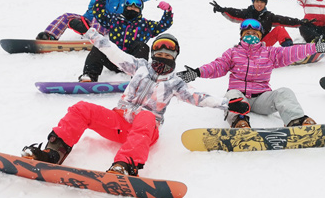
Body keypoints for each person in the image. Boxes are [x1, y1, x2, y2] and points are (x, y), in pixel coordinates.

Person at [22, 30, 249, 176]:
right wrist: (88, 32)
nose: (164, 53)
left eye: (170, 51)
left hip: (145, 131)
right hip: (118, 121)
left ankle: (124, 166)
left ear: (176, 56)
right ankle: (55, 152)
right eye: (160, 49)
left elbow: (198, 97)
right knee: (82, 108)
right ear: (153, 53)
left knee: (147, 116)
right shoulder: (139, 66)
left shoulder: (176, 82)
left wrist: (228, 104)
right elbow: (114, 53)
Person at [176, 19, 325, 129]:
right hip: (240, 99)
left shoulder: (269, 53)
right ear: (241, 36)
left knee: (284, 93)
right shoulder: (233, 53)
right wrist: (197, 72)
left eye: (255, 33)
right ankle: (240, 122)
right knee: (231, 93)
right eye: (247, 33)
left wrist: (314, 48)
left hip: (262, 99)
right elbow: (217, 66)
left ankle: (297, 121)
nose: (251, 36)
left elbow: (291, 52)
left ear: (260, 36)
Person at [72, 0, 173, 82]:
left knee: (142, 46)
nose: (133, 7)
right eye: (130, 3)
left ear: (140, 9)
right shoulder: (114, 19)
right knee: (100, 46)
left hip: (133, 64)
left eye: (137, 5)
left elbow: (163, 25)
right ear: (125, 6)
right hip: (112, 60)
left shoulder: (146, 25)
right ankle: (89, 76)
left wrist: (168, 12)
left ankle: (139, 79)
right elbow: (99, 13)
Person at [210, 0, 306, 48]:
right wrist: (222, 9)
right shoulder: (247, 13)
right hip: (248, 45)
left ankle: (288, 49)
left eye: (262, 2)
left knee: (279, 29)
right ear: (253, 2)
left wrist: (300, 22)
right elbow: (234, 12)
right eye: (257, 1)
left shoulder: (269, 16)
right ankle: (242, 53)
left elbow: (284, 20)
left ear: (265, 4)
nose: (259, 4)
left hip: (263, 45)